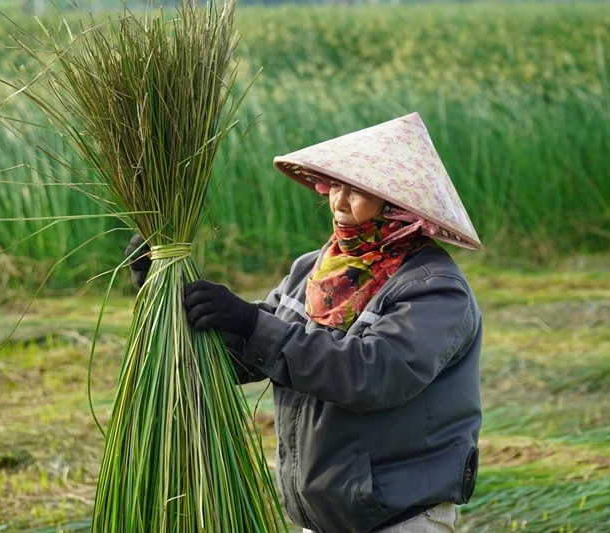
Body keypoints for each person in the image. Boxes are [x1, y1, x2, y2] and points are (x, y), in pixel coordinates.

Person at [125, 112, 483, 533]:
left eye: (357, 191)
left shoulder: (433, 289)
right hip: (323, 518)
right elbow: (252, 357)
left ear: (398, 206)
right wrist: (168, 296)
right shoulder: (315, 271)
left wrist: (251, 322)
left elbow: (370, 374)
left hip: (399, 519)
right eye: (336, 186)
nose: (339, 203)